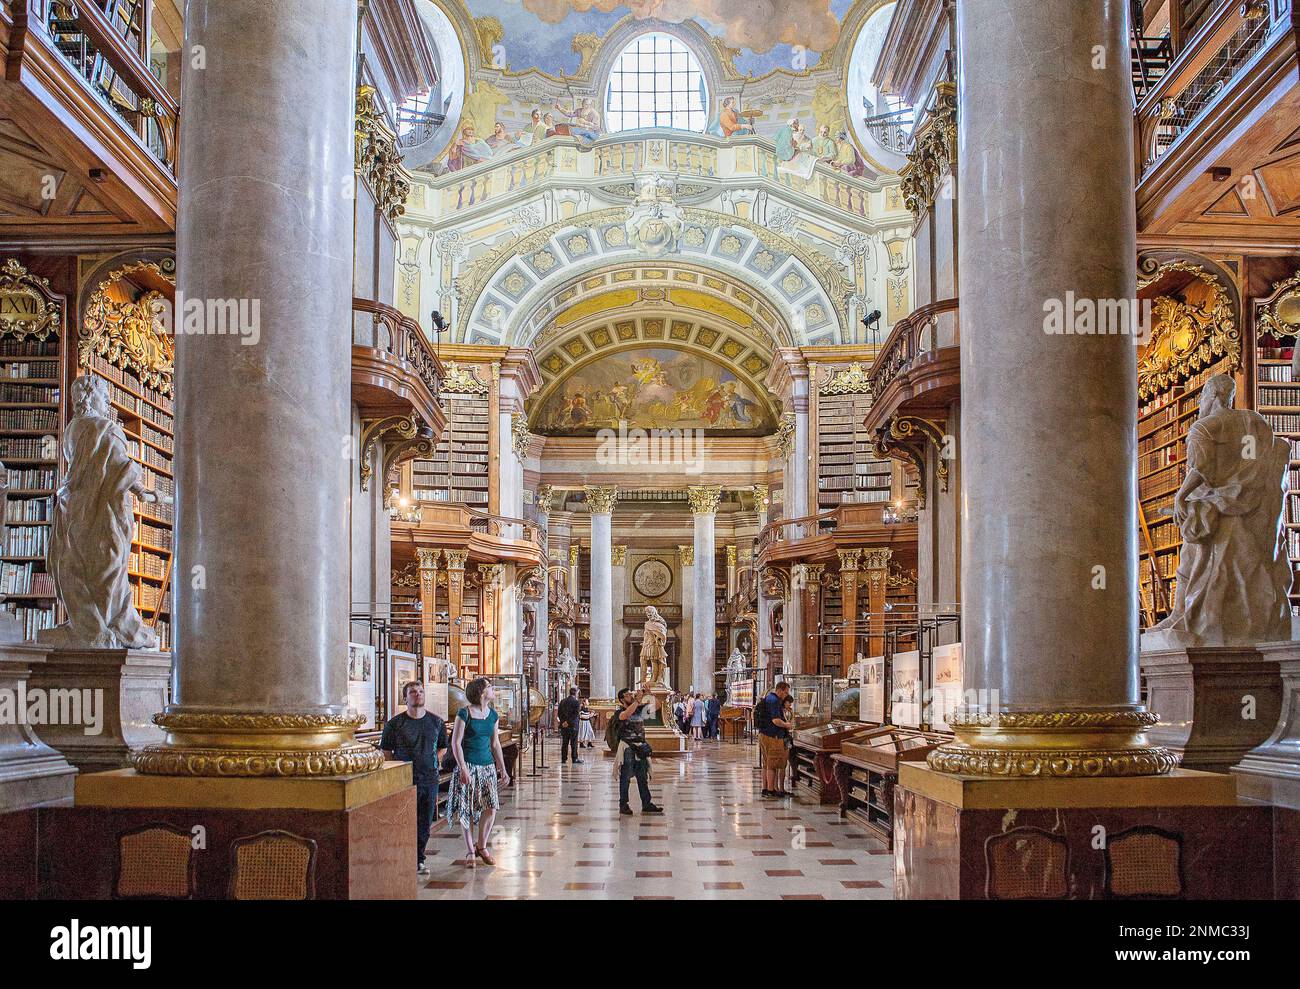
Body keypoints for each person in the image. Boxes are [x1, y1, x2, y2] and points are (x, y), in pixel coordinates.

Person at [380, 681, 448, 876]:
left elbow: (443, 746)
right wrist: (399, 769)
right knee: (404, 819)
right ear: (405, 698)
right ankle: (403, 855)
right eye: (412, 692)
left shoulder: (436, 722)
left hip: (429, 778)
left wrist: (435, 758)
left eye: (420, 692)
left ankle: (419, 858)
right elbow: (386, 750)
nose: (417, 695)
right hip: (405, 780)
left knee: (424, 821)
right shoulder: (395, 724)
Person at [449, 676, 510, 867]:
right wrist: (463, 768)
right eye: (490, 687)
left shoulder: (492, 715)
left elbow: (495, 743)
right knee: (467, 809)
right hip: (468, 766)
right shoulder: (464, 713)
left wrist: (502, 768)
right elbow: (456, 742)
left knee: (490, 807)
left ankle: (481, 846)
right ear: (481, 692)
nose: (493, 690)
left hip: (487, 766)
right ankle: (469, 851)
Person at [614, 685, 663, 816]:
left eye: (631, 694)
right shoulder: (619, 711)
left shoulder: (640, 710)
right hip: (628, 748)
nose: (631, 695)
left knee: (642, 777)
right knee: (625, 777)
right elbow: (625, 715)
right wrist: (637, 701)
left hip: (640, 747)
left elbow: (657, 706)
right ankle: (623, 804)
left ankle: (646, 804)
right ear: (622, 699)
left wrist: (649, 693)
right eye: (628, 695)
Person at [757, 681, 793, 798]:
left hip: (765, 734)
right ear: (780, 690)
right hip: (772, 736)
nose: (786, 695)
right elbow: (775, 720)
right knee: (772, 764)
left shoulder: (769, 698)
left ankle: (766, 788)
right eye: (785, 692)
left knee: (767, 763)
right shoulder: (774, 701)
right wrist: (787, 725)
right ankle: (771, 790)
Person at [557, 686, 584, 765]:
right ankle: (574, 758)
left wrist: (563, 722)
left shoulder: (562, 701)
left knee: (564, 743)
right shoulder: (576, 702)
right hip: (573, 726)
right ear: (575, 693)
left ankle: (563, 758)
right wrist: (568, 722)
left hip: (564, 726)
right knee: (574, 743)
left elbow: (559, 713)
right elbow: (575, 714)